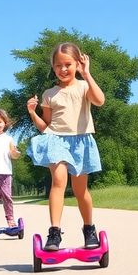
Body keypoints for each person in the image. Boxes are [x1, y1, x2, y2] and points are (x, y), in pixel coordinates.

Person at [26, 42, 105, 251]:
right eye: (58, 65)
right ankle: (54, 232)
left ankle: (89, 229)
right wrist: (33, 113)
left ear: (78, 63)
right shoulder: (49, 94)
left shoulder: (84, 86)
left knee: (81, 190)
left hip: (80, 141)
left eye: (68, 64)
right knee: (58, 181)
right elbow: (46, 126)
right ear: (53, 67)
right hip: (57, 140)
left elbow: (100, 101)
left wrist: (87, 74)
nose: (63, 69)